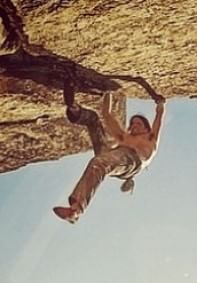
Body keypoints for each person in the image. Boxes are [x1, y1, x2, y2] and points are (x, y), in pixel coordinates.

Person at [53, 83, 165, 224]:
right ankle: (75, 110)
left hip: (132, 161)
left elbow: (158, 119)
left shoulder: (150, 138)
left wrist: (160, 105)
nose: (135, 126)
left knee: (99, 162)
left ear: (146, 127)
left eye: (139, 124)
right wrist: (108, 92)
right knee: (94, 121)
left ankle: (77, 209)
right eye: (133, 124)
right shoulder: (124, 137)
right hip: (112, 156)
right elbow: (107, 114)